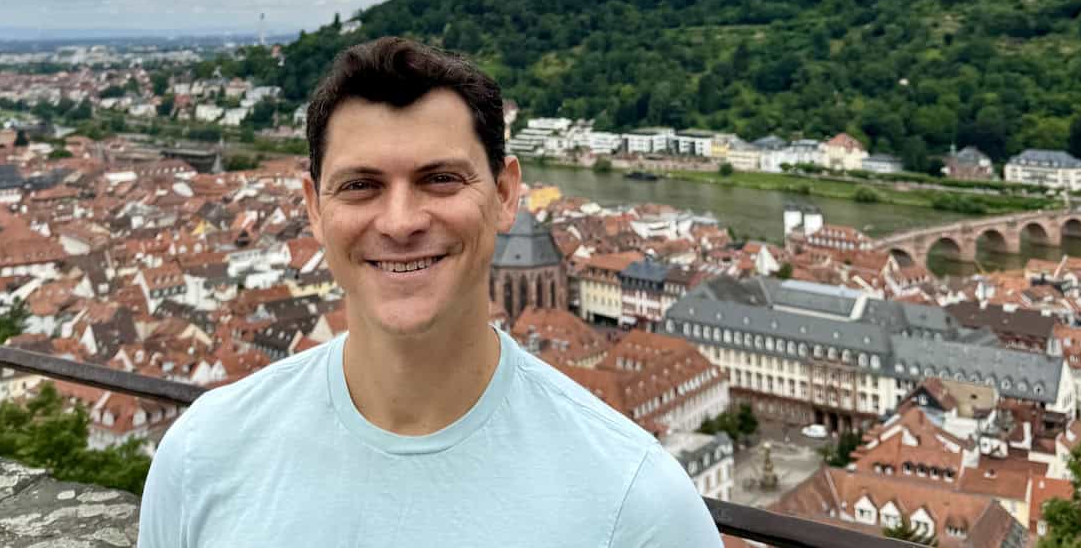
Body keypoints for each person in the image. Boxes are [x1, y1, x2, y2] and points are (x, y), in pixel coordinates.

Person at [138, 36, 722, 547]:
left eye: (440, 179)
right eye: (360, 185)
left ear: (505, 195)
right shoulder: (201, 454)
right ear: (315, 209)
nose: (399, 222)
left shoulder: (638, 503)